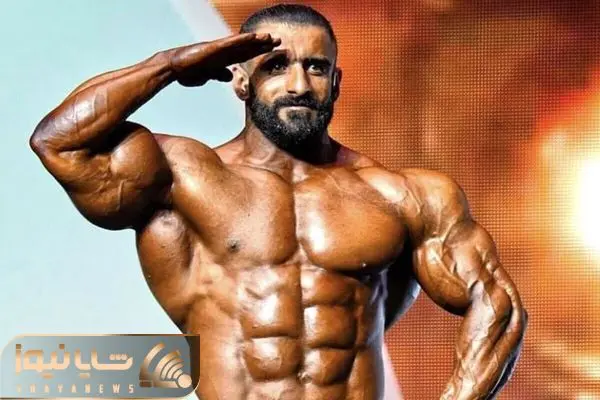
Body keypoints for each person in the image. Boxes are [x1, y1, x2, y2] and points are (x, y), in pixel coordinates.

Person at [30, 4, 527, 400]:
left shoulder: (402, 194)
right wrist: (170, 65)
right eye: (276, 66)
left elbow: (496, 305)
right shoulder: (182, 177)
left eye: (316, 67)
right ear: (240, 80)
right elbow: (60, 143)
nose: (298, 85)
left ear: (335, 83)